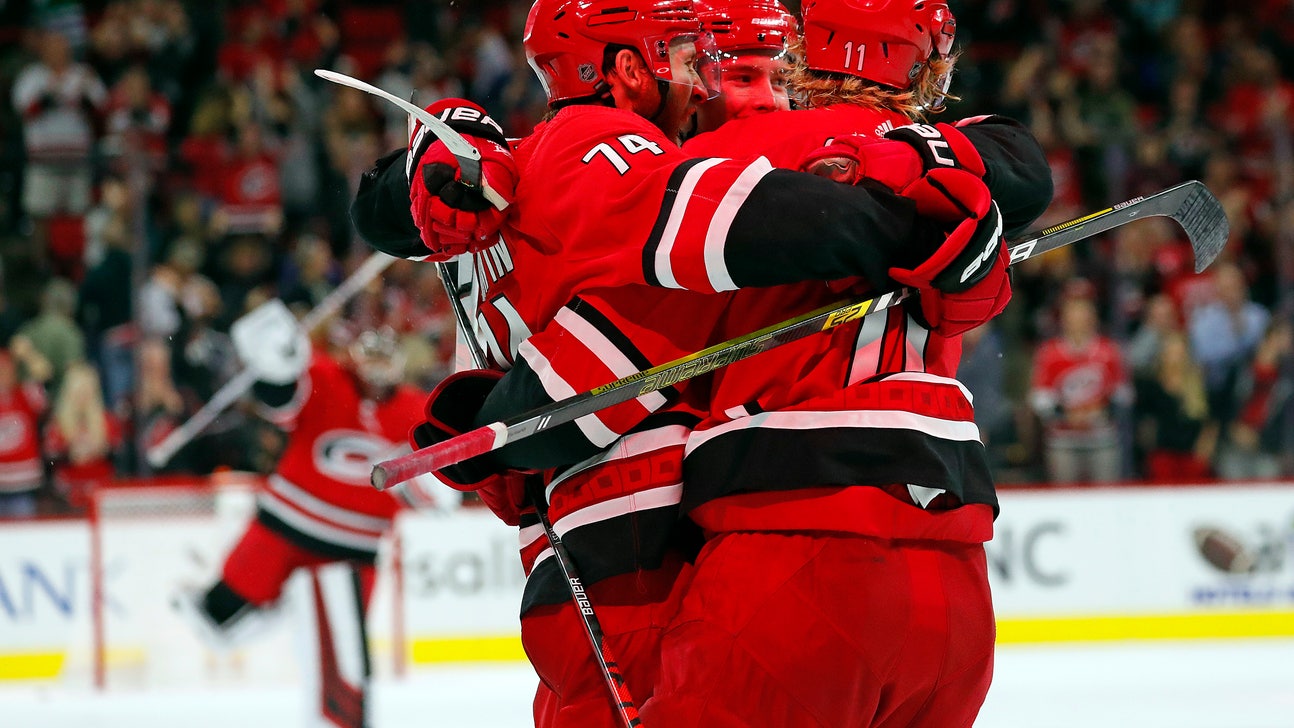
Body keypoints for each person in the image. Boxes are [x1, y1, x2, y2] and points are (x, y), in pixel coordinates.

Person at [354, 2, 1010, 726]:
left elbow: (590, 362)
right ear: (634, 67)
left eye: (778, 75)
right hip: (662, 564)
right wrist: (934, 233)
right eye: (723, 70)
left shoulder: (557, 161)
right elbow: (638, 323)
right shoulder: (614, 143)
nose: (754, 95)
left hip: (679, 554)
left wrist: (495, 429)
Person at [174, 303, 448, 728]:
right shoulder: (325, 377)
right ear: (355, 355)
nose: (376, 368)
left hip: (351, 554)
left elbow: (437, 497)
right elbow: (280, 402)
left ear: (400, 365)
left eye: (385, 358)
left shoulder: (418, 409)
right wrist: (276, 363)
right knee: (216, 620)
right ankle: (294, 606)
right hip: (282, 526)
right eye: (369, 355)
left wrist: (434, 483)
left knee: (344, 676)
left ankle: (311, 629)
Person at [1029, 289, 1131, 484]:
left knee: (1106, 497)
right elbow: (1039, 398)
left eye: (1083, 315)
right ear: (1064, 320)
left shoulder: (1109, 351)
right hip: (1063, 440)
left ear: (1093, 318)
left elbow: (1123, 395)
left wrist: (1100, 411)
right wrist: (1065, 414)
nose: (1078, 321)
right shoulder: (1050, 354)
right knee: (1065, 499)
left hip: (1102, 438)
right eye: (1073, 315)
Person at [0, 338, 52, 518]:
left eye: (6, 369)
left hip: (24, 484)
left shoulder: (26, 394)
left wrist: (28, 355)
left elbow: (45, 374)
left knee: (22, 539)